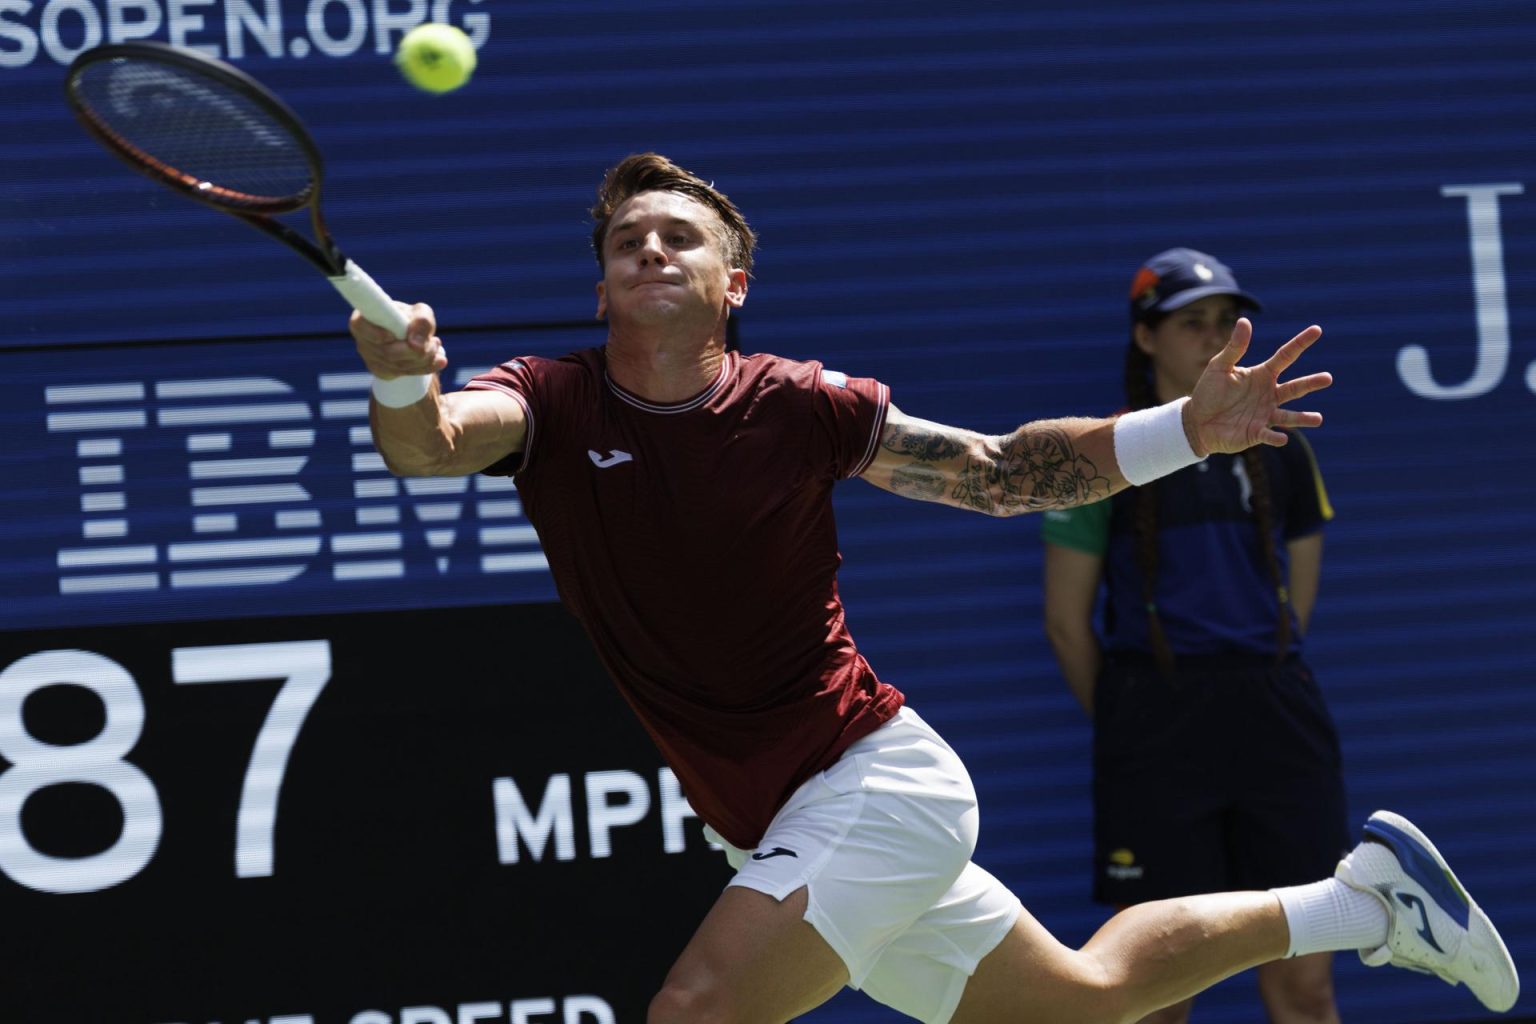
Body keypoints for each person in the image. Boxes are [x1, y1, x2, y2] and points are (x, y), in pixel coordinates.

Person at [349, 153, 1518, 1023]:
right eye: (626, 243)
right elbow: (433, 442)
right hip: (764, 816)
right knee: (1087, 996)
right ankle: (1364, 903)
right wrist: (403, 384)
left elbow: (1007, 473)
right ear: (601, 290)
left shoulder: (797, 405)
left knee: (695, 1013)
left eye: (679, 238)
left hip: (870, 783)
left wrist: (1186, 431)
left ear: (734, 282)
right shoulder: (549, 403)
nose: (650, 251)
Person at [1041, 248, 1351, 1024]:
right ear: (1146, 339)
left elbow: (1298, 592)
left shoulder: (1286, 445)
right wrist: (1137, 720)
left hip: (1278, 718)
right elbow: (1065, 624)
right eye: (1191, 324)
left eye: (1224, 321)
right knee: (1156, 1000)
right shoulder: (1099, 452)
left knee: (1305, 989)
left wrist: (1252, 679)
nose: (1214, 339)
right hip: (1156, 732)